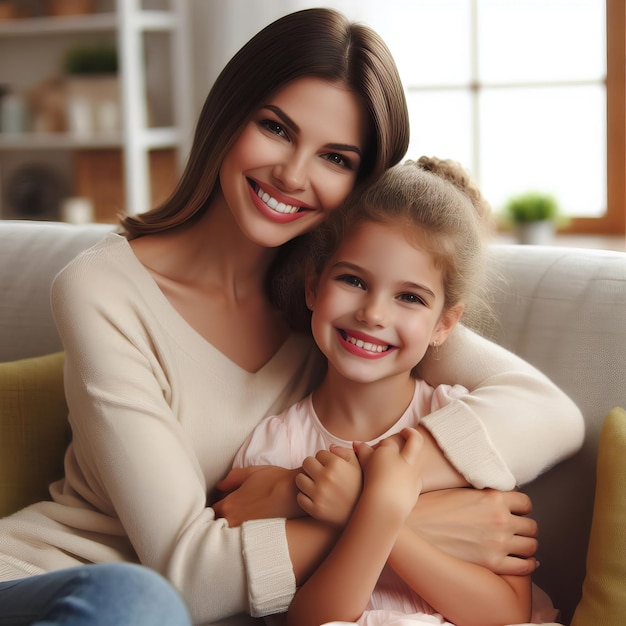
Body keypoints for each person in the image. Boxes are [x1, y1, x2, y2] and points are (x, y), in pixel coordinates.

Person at [0, 8, 582, 626]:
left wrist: (324, 493)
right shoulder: (103, 289)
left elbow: (548, 415)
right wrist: (392, 513)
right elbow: (191, 581)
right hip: (62, 585)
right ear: (229, 115)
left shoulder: (346, 294)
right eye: (276, 128)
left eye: (336, 158)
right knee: (136, 602)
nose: (292, 174)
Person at [233, 157, 560, 626]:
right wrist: (380, 507)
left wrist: (368, 507)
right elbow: (306, 621)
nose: (373, 314)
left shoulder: (462, 431)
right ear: (312, 286)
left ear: (443, 325)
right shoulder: (274, 453)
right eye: (352, 280)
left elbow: (506, 613)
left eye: (409, 297)